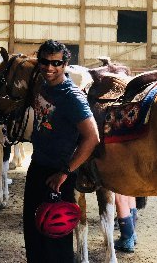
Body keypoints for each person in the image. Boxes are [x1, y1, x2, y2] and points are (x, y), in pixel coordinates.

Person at [23, 40, 100, 263]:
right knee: (34, 233)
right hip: (38, 167)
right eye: (45, 62)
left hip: (58, 175)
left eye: (56, 63)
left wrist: (65, 172)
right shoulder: (43, 87)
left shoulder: (72, 97)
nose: (49, 68)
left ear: (65, 63)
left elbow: (92, 137)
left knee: (55, 237)